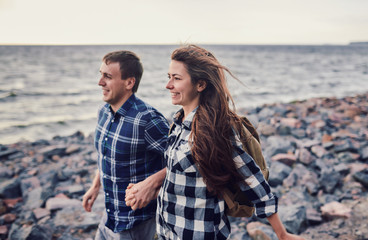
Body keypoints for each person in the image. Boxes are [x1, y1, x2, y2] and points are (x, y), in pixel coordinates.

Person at [125, 45, 305, 240]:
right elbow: (181, 177)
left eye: (176, 78)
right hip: (167, 232)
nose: (168, 85)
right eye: (168, 77)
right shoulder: (177, 124)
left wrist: (282, 234)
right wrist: (143, 188)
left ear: (200, 85)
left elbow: (254, 182)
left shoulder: (216, 129)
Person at [82, 50, 169, 240]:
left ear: (129, 82)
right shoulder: (103, 111)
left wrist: (152, 184)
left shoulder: (148, 119)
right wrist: (95, 186)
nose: (100, 82)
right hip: (109, 216)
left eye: (108, 76)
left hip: (135, 224)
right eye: (101, 74)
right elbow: (106, 155)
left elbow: (182, 161)